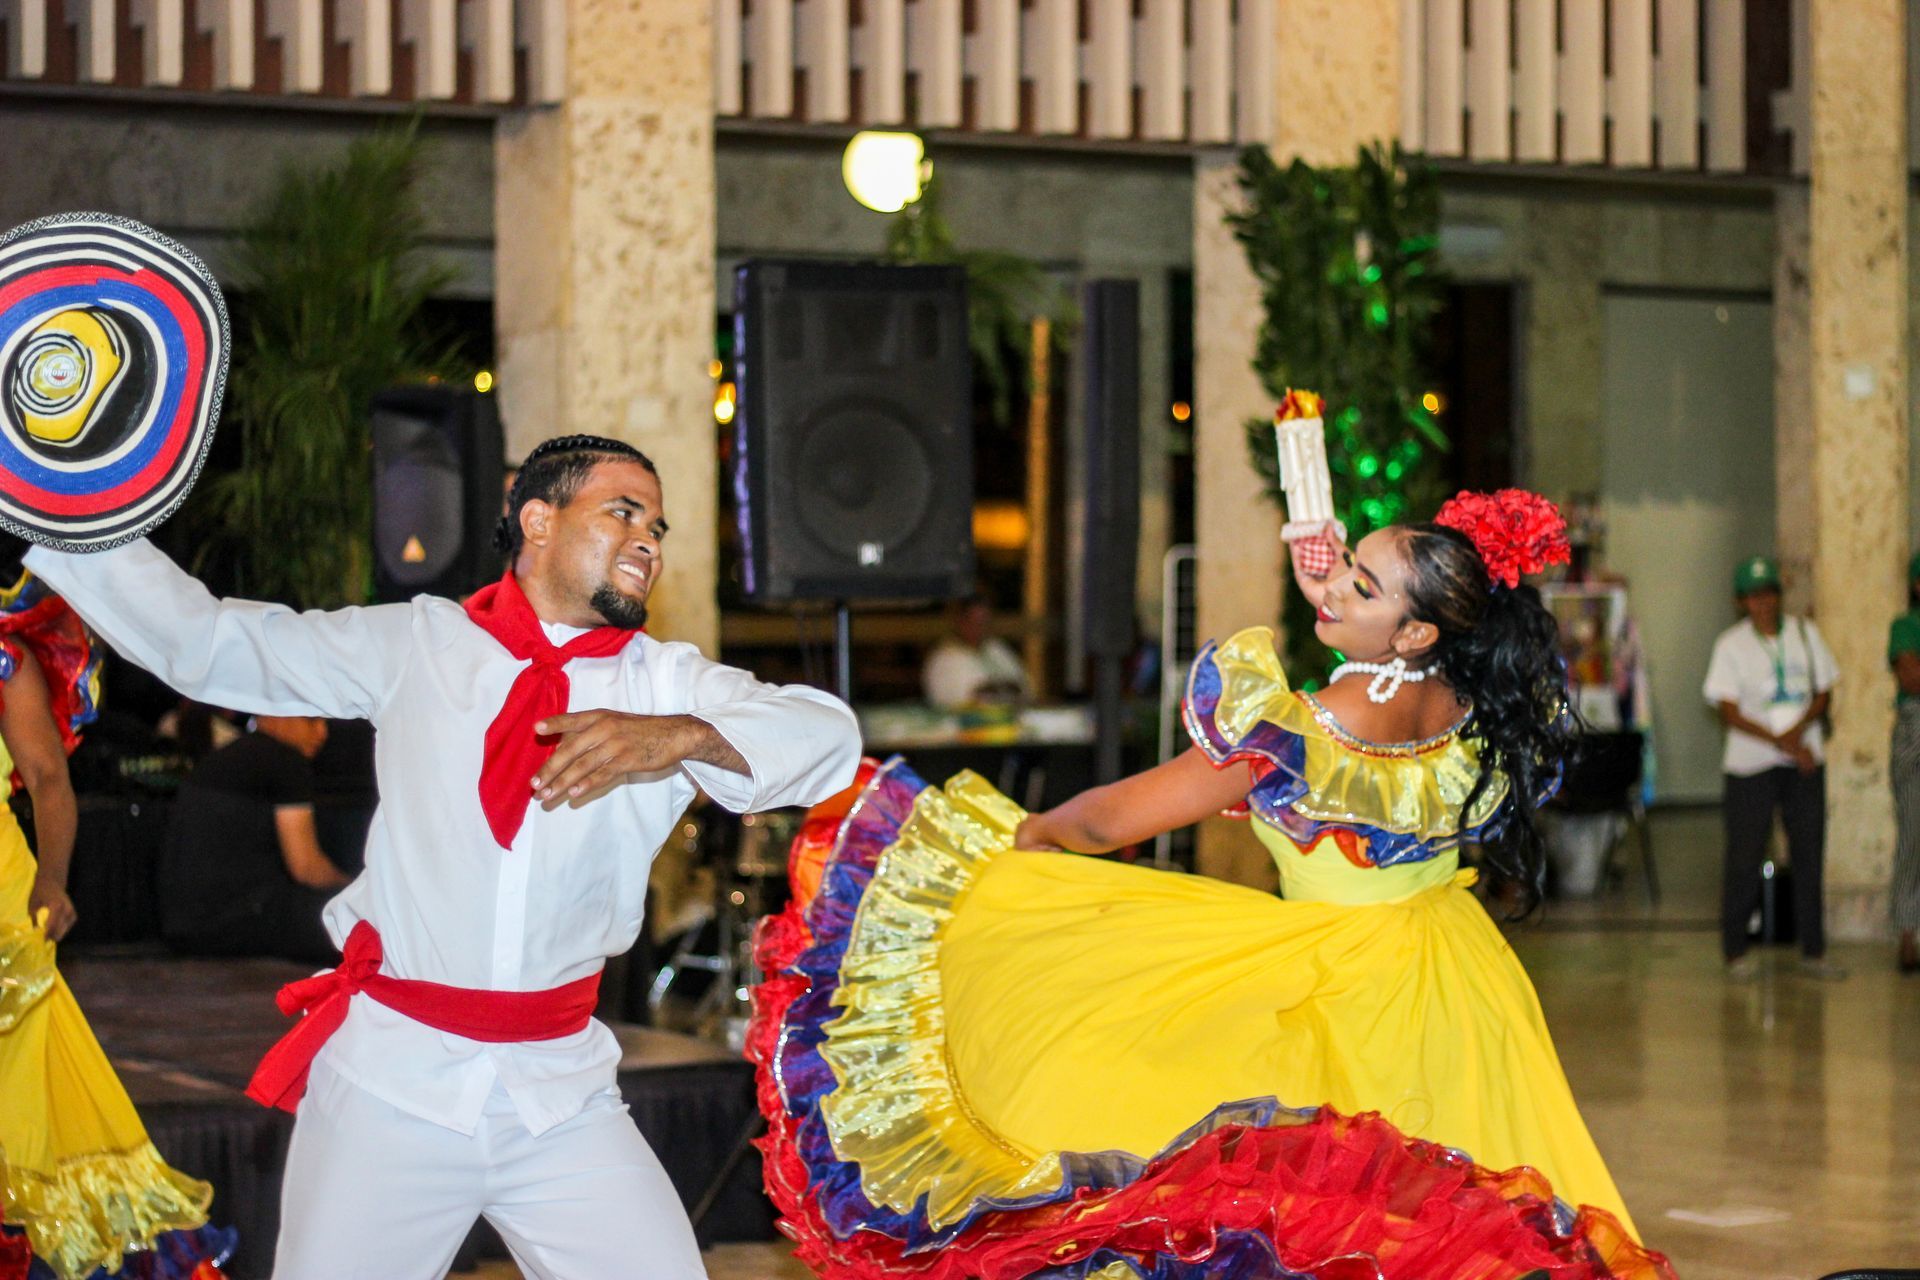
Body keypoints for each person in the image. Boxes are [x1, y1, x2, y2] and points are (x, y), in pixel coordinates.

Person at [749, 490, 1672, 1280]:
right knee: (1436, 1209)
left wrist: (1036, 834)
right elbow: (1376, 713)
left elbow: (1115, 819)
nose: (1333, 584)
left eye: (1361, 584)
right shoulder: (1466, 706)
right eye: (1345, 566)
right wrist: (1341, 602)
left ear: (1416, 631)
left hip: (1336, 985)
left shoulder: (1309, 726)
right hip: (1448, 975)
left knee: (1283, 1190)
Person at [26, 434, 861, 1280]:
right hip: (392, 1085)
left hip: (562, 1096)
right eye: (623, 512)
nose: (647, 539)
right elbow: (207, 642)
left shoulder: (665, 685)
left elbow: (829, 739)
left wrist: (676, 736)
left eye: (657, 526)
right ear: (538, 520)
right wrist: (50, 505)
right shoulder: (417, 643)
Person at [0, 566, 231, 1279]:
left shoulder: (4, 656)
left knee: (26, 1083)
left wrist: (52, 878)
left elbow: (48, 778)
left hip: (3, 902)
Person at [1703, 555, 1844, 981]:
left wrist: (1798, 733)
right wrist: (1779, 740)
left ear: (1779, 596)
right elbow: (1728, 710)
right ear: (1740, 602)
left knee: (1808, 853)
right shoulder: (1731, 646)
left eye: (1769, 593)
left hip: (1804, 761)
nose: (1763, 603)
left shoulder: (1805, 633)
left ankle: (1814, 950)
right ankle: (1735, 950)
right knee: (1745, 855)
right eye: (1753, 596)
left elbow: (1823, 691)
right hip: (1751, 765)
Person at [160, 714, 350, 966]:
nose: (322, 733)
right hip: (241, 920)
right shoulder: (285, 761)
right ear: (273, 715)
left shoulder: (220, 760)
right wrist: (354, 888)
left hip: (184, 926)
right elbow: (306, 868)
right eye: (311, 720)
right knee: (356, 918)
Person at [1887, 550, 1920, 974]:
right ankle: (1908, 934)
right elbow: (1911, 677)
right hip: (1916, 729)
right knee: (1914, 835)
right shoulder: (1906, 626)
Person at [922, 594, 1028, 709]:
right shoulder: (944, 658)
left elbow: (1025, 688)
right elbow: (958, 700)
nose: (980, 628)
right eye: (974, 622)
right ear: (960, 621)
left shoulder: (997, 648)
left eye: (984, 622)